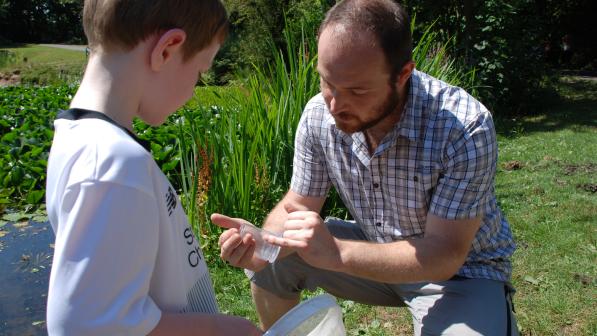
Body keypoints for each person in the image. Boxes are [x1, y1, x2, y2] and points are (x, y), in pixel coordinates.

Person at [212, 0, 518, 335]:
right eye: (327, 82)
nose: (335, 104)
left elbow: (445, 255)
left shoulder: (464, 127)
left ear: (403, 75)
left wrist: (338, 253)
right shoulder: (319, 116)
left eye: (356, 90)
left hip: (459, 276)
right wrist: (264, 244)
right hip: (373, 249)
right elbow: (298, 206)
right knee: (274, 264)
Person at [45, 1, 262, 335]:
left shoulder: (79, 138)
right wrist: (223, 330)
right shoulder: (113, 162)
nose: (194, 90)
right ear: (167, 50)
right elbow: (85, 325)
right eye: (200, 72)